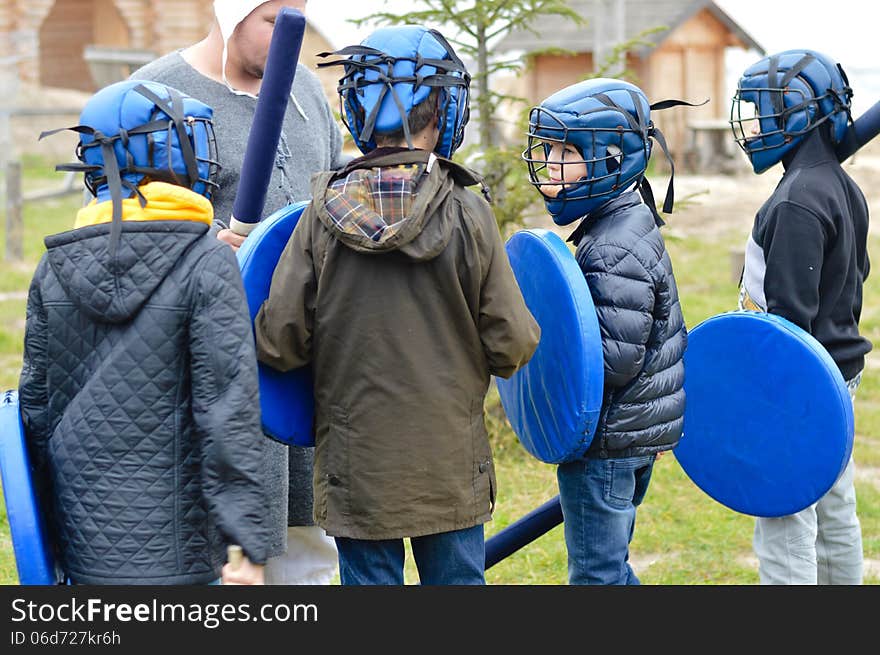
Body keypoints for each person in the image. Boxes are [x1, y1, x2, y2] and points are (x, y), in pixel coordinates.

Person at [253, 24, 541, 585]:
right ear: (446, 110)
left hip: (357, 471)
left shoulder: (320, 215)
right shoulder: (468, 212)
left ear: (356, 108)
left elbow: (280, 342)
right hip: (449, 468)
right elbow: (511, 343)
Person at [131, 0, 346, 585]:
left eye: (300, 20)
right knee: (221, 564)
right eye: (277, 20)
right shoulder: (155, 94)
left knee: (309, 551)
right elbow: (121, 235)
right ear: (232, 14)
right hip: (209, 367)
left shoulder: (304, 89)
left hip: (303, 360)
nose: (291, 38)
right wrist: (201, 253)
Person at [19, 79, 267, 585]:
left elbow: (35, 414)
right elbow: (228, 414)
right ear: (170, 152)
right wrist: (249, 546)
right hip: (181, 555)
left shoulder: (54, 265)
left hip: (81, 547)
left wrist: (45, 540)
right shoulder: (206, 262)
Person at [522, 78, 688, 585]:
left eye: (565, 152)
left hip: (609, 445)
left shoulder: (612, 246)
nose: (550, 167)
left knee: (596, 576)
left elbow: (611, 363)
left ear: (612, 159)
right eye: (547, 151)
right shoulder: (621, 223)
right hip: (627, 437)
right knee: (609, 569)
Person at [730, 49, 871, 585]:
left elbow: (788, 325)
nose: (755, 123)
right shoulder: (838, 184)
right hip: (838, 376)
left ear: (797, 115)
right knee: (835, 511)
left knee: (785, 521)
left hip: (799, 383)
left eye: (765, 110)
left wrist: (770, 400)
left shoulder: (797, 201)